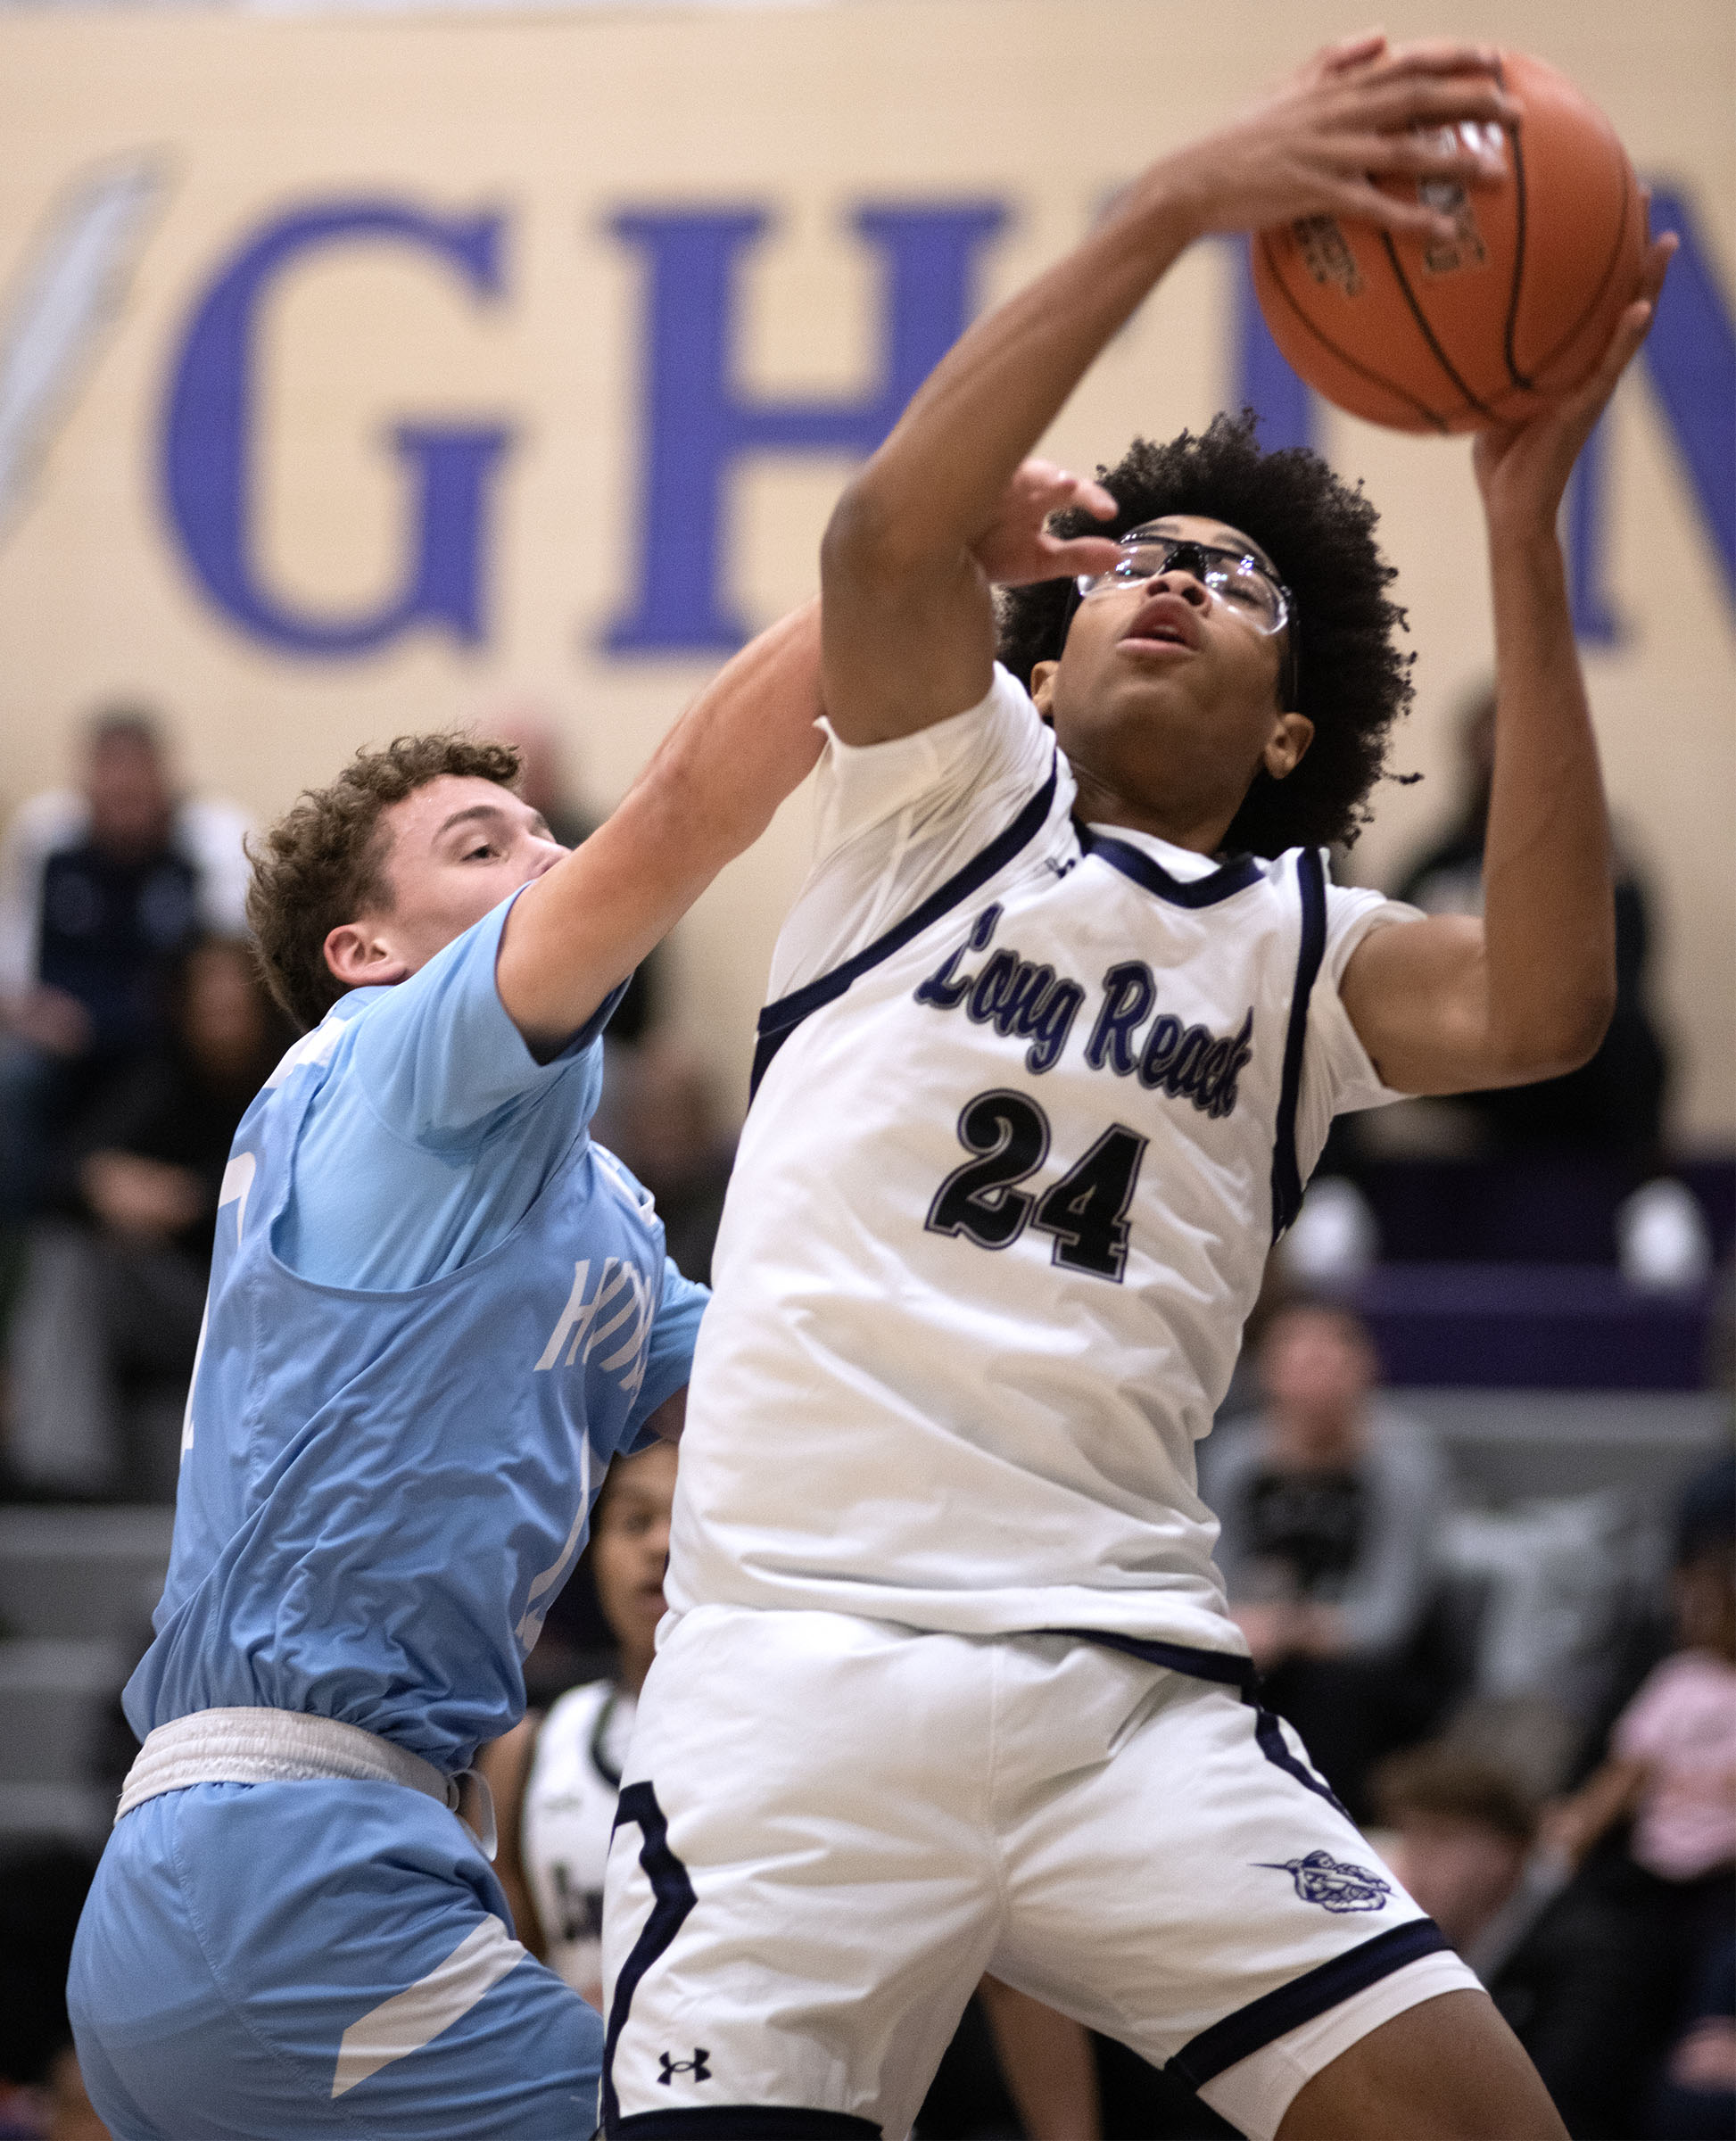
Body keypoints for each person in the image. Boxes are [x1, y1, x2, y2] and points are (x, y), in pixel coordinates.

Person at [601, 32, 1674, 2141]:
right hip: (804, 1670)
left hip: (1126, 1696)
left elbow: (1549, 1000)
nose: (1173, 573)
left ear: (1292, 728)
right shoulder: (942, 795)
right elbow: (886, 537)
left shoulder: (1304, 948)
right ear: (1049, 647)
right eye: (1135, 557)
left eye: (1236, 574)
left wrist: (1522, 530)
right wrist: (1176, 204)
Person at [63, 599, 829, 2141]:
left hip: (315, 1865)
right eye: (485, 847)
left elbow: (789, 1399)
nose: (550, 861)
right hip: (282, 1868)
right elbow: (679, 816)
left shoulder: (594, 1208)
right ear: (370, 950)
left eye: (547, 833)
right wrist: (906, 581)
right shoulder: (388, 1065)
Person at [4, 938, 293, 1501]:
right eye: (206, 996)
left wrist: (188, 1197)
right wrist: (100, 1183)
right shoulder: (163, 1078)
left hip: (261, 1307)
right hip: (167, 1302)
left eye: (233, 996)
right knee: (67, 1252)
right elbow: (67, 1172)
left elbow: (297, 1190)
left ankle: (58, 1464)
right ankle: (59, 1472)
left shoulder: (295, 1077)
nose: (220, 1009)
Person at [1202, 1300, 1451, 1817]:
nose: (1316, 1379)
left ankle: (1332, 1831)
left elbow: (1392, 1613)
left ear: (1366, 1369)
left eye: (1332, 1360)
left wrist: (1293, 1629)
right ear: (1266, 1374)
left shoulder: (1405, 1460)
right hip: (1257, 1644)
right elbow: (1211, 1576)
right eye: (1298, 1362)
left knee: (1331, 1691)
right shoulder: (1234, 1459)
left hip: (1370, 1663)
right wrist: (1241, 1628)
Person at [0, 710, 250, 1226]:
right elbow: (15, 970)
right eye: (109, 775)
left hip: (164, 1041)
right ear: (85, 782)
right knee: (12, 1078)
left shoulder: (205, 850)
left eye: (136, 775)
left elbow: (223, 979)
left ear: (165, 779)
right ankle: (20, 1246)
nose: (123, 789)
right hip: (59, 1048)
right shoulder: (49, 846)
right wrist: (27, 1014)